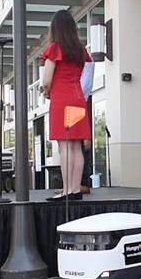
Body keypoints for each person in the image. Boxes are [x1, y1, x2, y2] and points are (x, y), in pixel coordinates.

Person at [40, 10, 91, 201]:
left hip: (61, 98)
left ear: (55, 28)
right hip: (78, 98)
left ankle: (67, 190)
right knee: (76, 146)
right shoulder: (80, 50)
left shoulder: (54, 48)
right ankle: (75, 189)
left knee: (65, 147)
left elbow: (47, 80)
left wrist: (46, 91)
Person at [79, 56, 94, 195]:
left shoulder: (86, 59)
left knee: (81, 148)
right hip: (77, 100)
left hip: (80, 100)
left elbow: (85, 87)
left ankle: (83, 182)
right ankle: (75, 183)